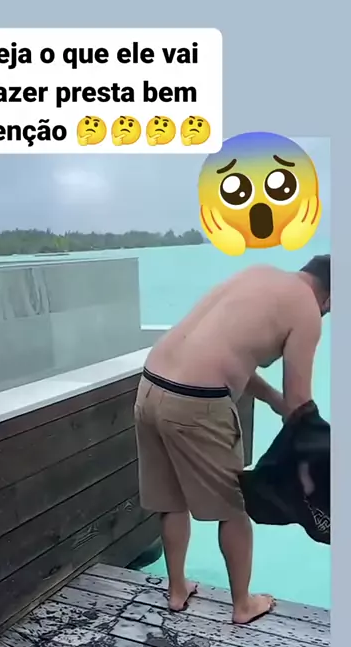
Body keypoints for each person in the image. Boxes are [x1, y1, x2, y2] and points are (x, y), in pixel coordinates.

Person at [134, 255, 330, 623]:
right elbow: (300, 401)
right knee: (235, 507)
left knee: (171, 498)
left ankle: (177, 590)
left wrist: (272, 400)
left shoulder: (258, 274)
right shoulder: (307, 309)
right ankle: (243, 604)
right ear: (330, 298)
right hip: (196, 403)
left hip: (150, 387)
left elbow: (227, 355)